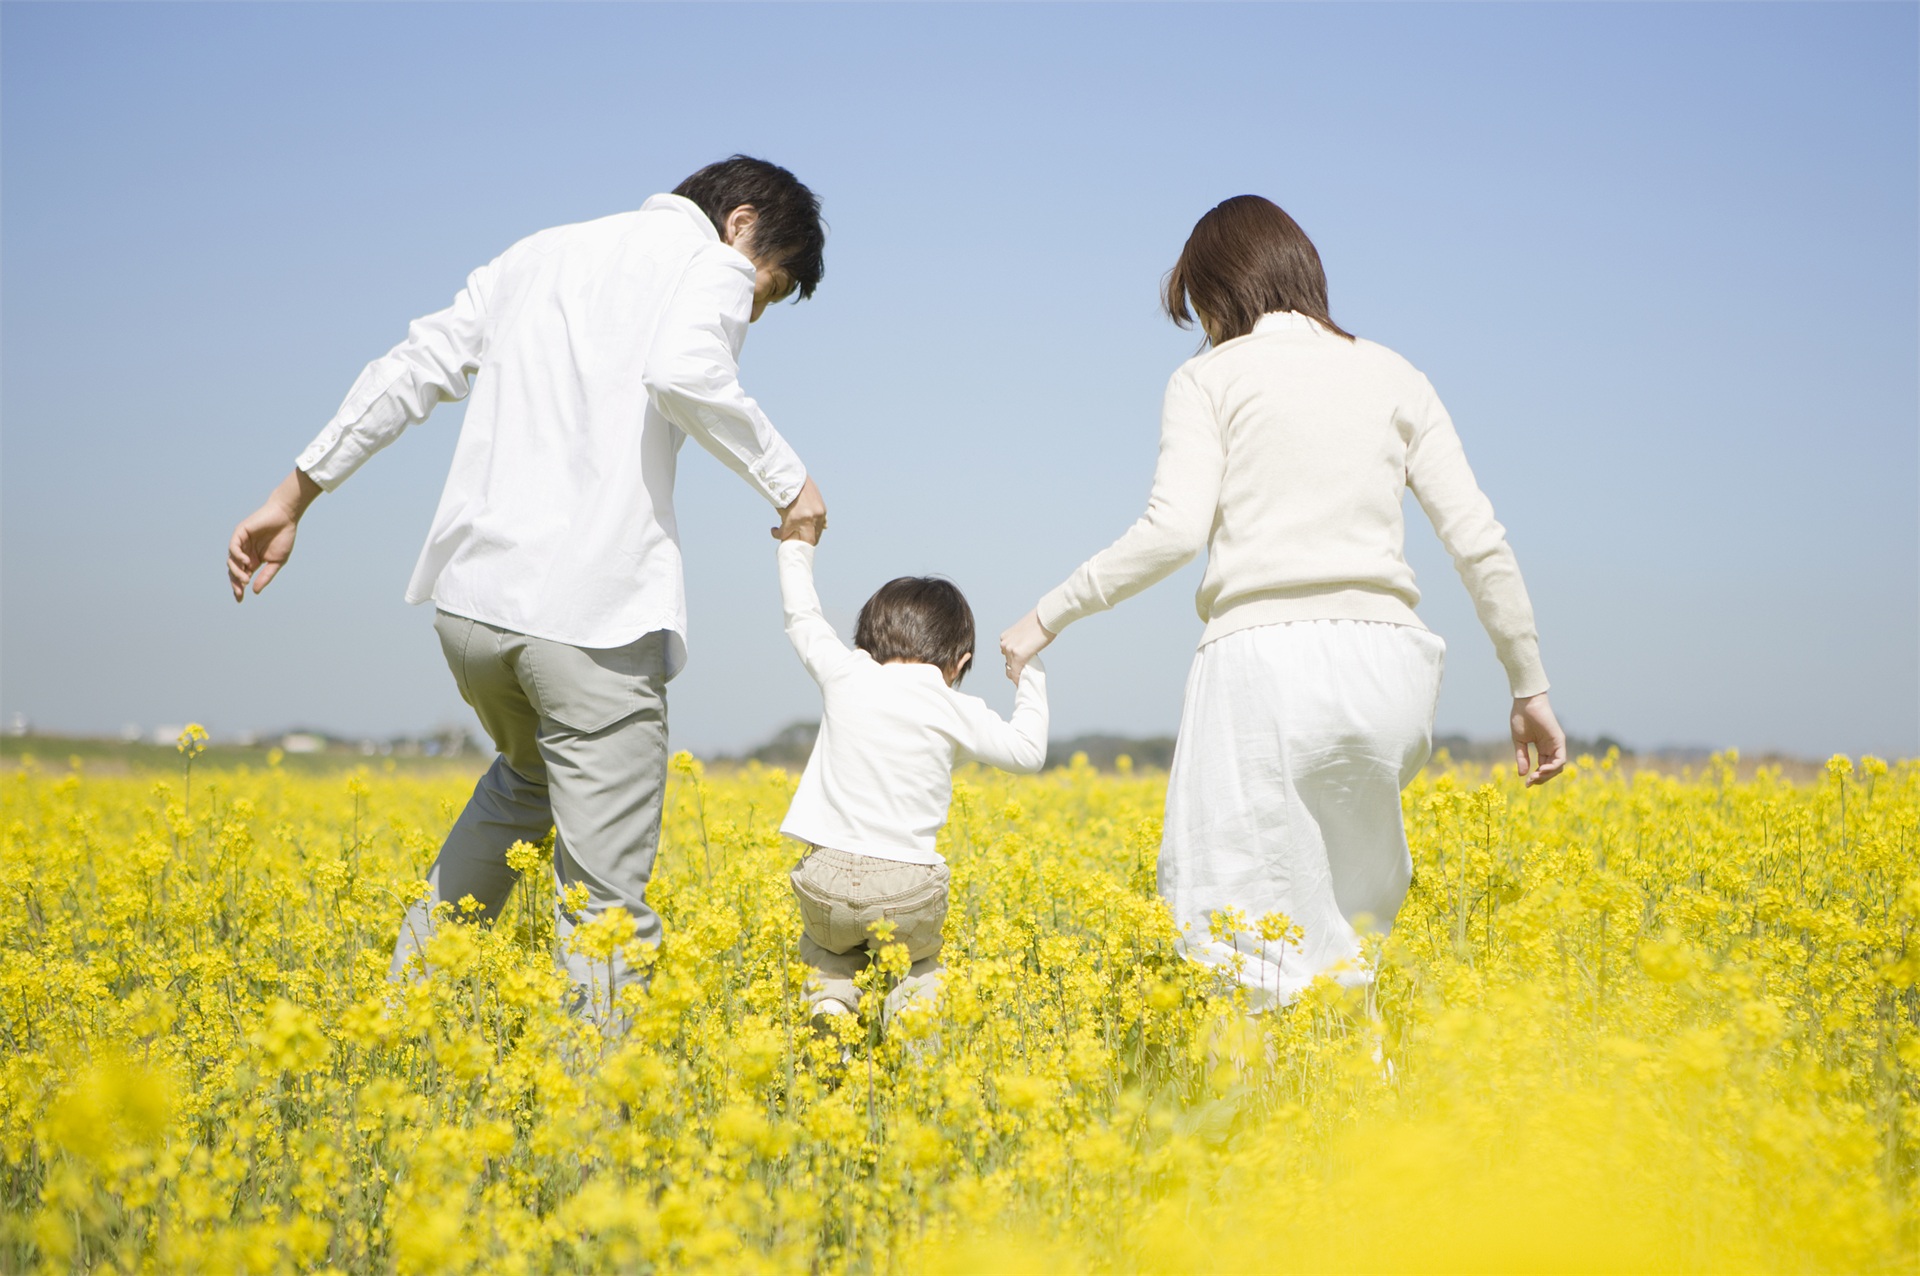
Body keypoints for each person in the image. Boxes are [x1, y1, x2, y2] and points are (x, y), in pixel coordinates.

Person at [225, 155, 831, 1019]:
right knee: (605, 907)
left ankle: (403, 1020)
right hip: (591, 620)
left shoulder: (537, 253)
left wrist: (294, 495)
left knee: (527, 782)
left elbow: (412, 367)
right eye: (765, 291)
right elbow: (686, 371)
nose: (752, 308)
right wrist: (788, 481)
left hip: (474, 609)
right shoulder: (714, 263)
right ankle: (594, 1131)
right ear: (740, 225)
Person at [999, 195, 1565, 1009]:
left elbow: (1171, 531)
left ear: (1220, 292)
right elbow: (1479, 538)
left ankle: (1251, 1121)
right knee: (1352, 941)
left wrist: (1045, 615)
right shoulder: (1397, 373)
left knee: (1235, 937)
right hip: (1391, 671)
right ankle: (1362, 1115)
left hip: (1264, 666)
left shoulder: (1209, 377)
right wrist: (1529, 683)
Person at [774, 528, 1048, 1028]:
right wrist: (1029, 675)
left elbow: (802, 617)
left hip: (825, 878)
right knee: (918, 964)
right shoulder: (952, 705)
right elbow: (1027, 752)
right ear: (960, 662)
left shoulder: (845, 672)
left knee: (827, 949)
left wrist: (797, 545)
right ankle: (912, 1018)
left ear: (864, 638)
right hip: (906, 887)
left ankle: (831, 1005)